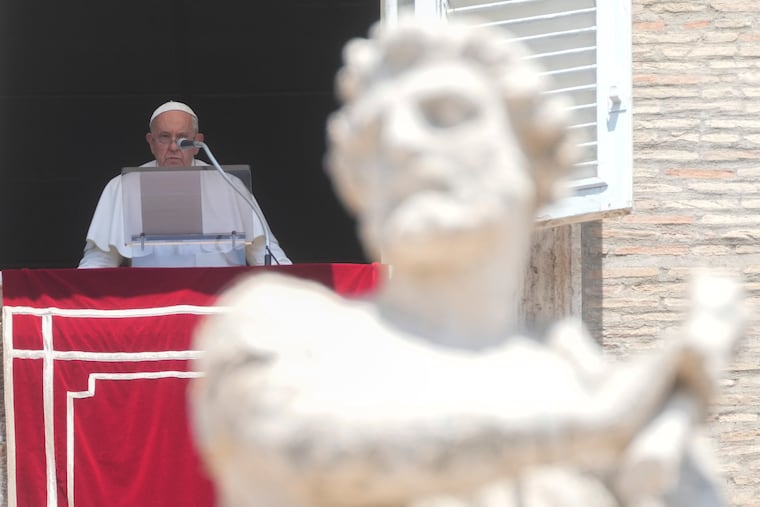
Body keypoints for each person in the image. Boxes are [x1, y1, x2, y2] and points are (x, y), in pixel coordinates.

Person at [189, 17, 744, 507]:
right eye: (375, 134)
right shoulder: (285, 329)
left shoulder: (595, 384)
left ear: (533, 156)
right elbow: (303, 450)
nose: (401, 143)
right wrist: (594, 427)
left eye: (446, 114)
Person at [78, 100, 291, 268]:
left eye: (182, 138)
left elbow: (265, 253)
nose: (173, 147)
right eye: (164, 137)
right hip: (155, 307)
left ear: (197, 143)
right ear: (151, 142)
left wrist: (294, 291)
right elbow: (100, 262)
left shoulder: (229, 185)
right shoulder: (123, 187)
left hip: (219, 308)